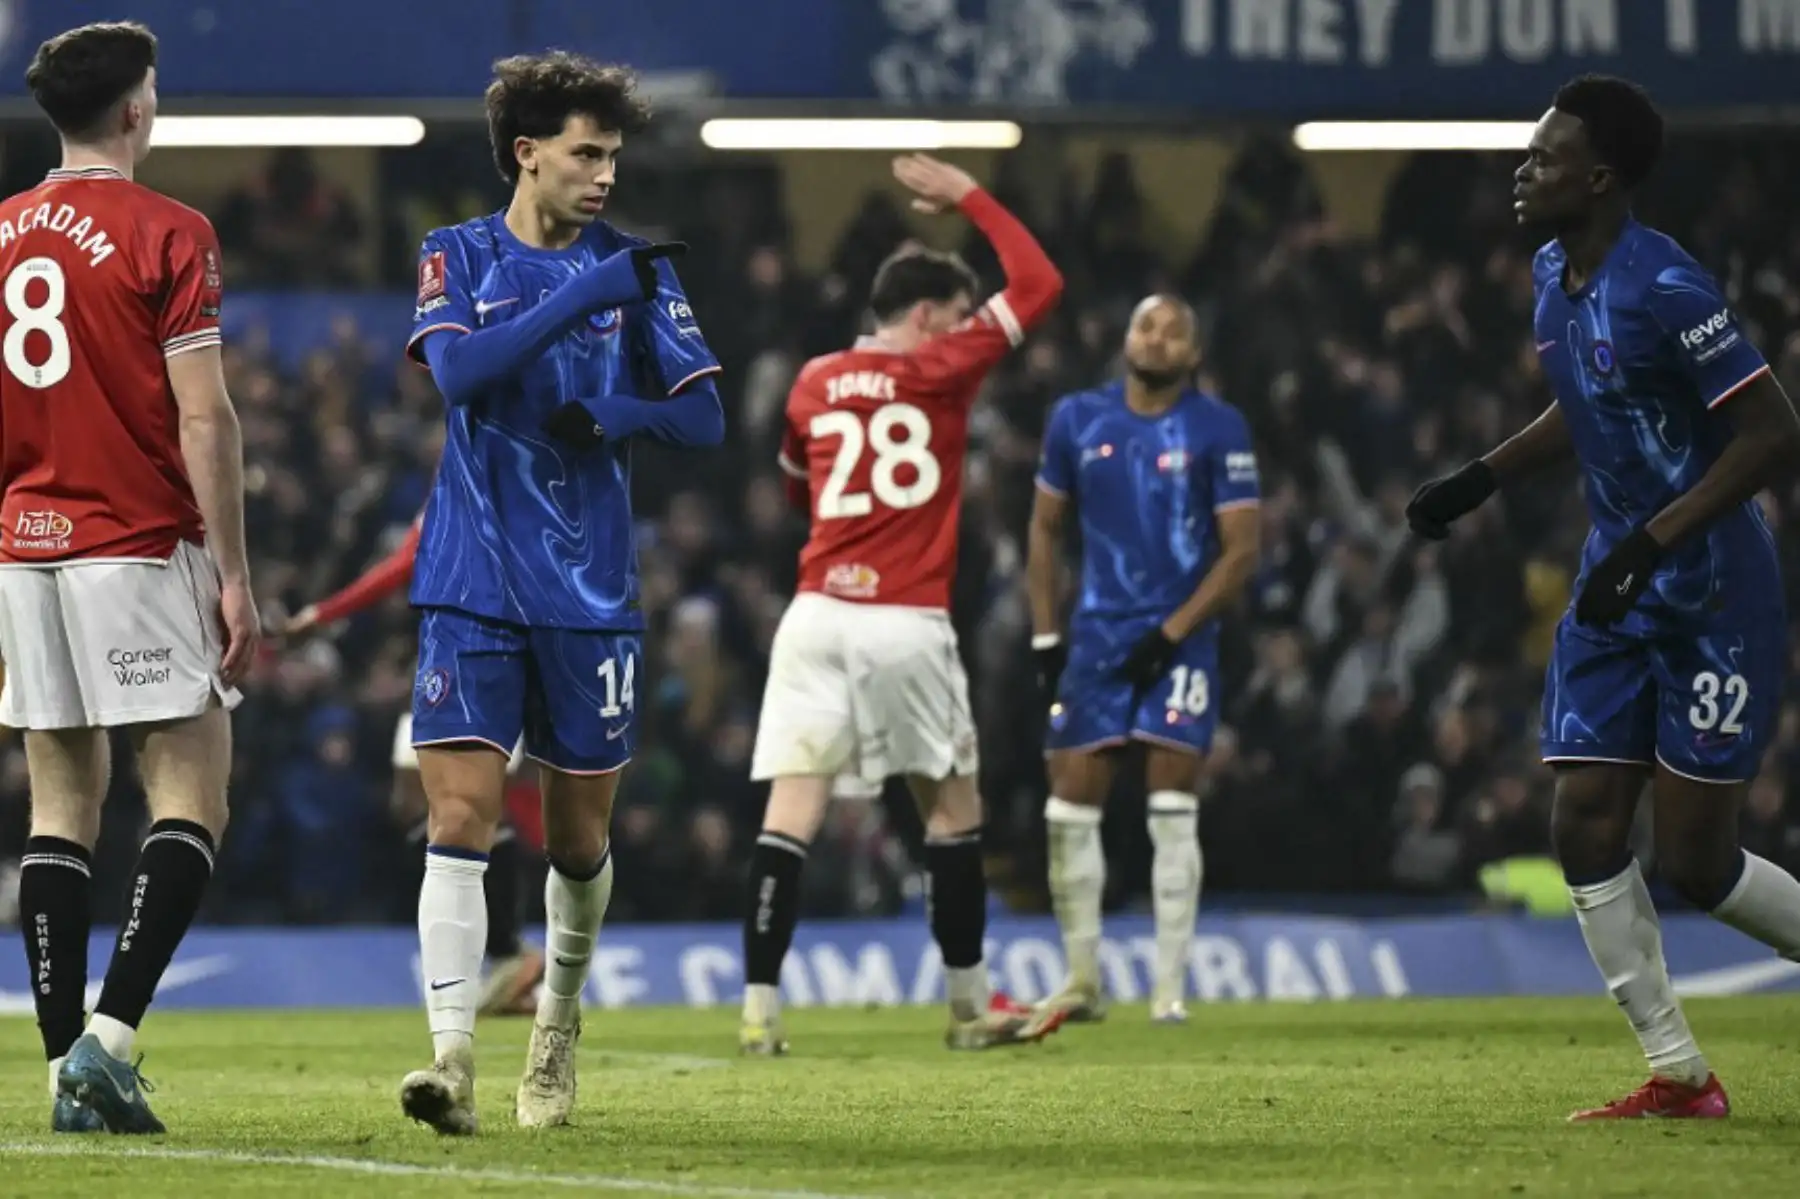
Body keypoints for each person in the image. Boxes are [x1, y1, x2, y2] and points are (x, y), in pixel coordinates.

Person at [1406, 74, 1800, 1121]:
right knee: (1582, 822)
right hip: (1616, 584)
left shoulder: (1668, 285)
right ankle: (1678, 1071)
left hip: (1710, 588)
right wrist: (1483, 476)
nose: (1523, 169)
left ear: (1601, 175)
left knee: (1697, 859)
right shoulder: (1552, 272)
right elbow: (1587, 400)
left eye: (1543, 155)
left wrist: (1657, 540)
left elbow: (1773, 431)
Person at [399, 51, 723, 1134]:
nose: (604, 175)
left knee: (578, 841)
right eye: (586, 154)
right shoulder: (457, 253)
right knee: (459, 813)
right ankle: (450, 1060)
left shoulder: (643, 272)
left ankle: (557, 1027)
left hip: (590, 594)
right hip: (471, 579)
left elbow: (707, 418)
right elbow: (454, 375)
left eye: (614, 156)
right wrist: (585, 294)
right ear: (527, 154)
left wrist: (626, 415)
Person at [741, 153, 1064, 1054]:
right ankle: (969, 1010)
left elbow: (797, 487)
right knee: (951, 814)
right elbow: (1040, 281)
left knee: (790, 811)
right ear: (928, 317)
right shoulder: (944, 366)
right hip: (904, 616)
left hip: (813, 613)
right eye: (955, 317)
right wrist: (969, 197)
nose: (962, 331)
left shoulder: (810, 380)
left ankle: (759, 1012)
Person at [0, 21, 259, 1134]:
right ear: (136, 110)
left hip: (25, 544)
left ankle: (66, 1072)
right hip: (137, 537)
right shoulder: (170, 231)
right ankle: (108, 1041)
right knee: (192, 790)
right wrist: (236, 571)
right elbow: (205, 415)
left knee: (59, 809)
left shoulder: (2, 232)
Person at [1026, 295, 1261, 1025]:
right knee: (1067, 805)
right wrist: (1044, 634)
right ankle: (1082, 978)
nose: (1156, 339)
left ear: (1193, 355)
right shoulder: (1076, 418)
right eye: (1144, 325)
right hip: (1097, 635)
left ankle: (1168, 988)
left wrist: (1172, 632)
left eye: (1173, 331)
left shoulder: (1219, 427)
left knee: (1170, 805)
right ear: (1126, 338)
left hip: (1180, 637)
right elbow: (1042, 529)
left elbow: (1242, 551)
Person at [277, 520, 544, 1016]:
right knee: (425, 812)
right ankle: (507, 958)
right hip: (454, 661)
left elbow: (398, 570)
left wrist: (319, 615)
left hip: (478, 664)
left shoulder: (479, 490)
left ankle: (508, 950)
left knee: (460, 811)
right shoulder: (488, 486)